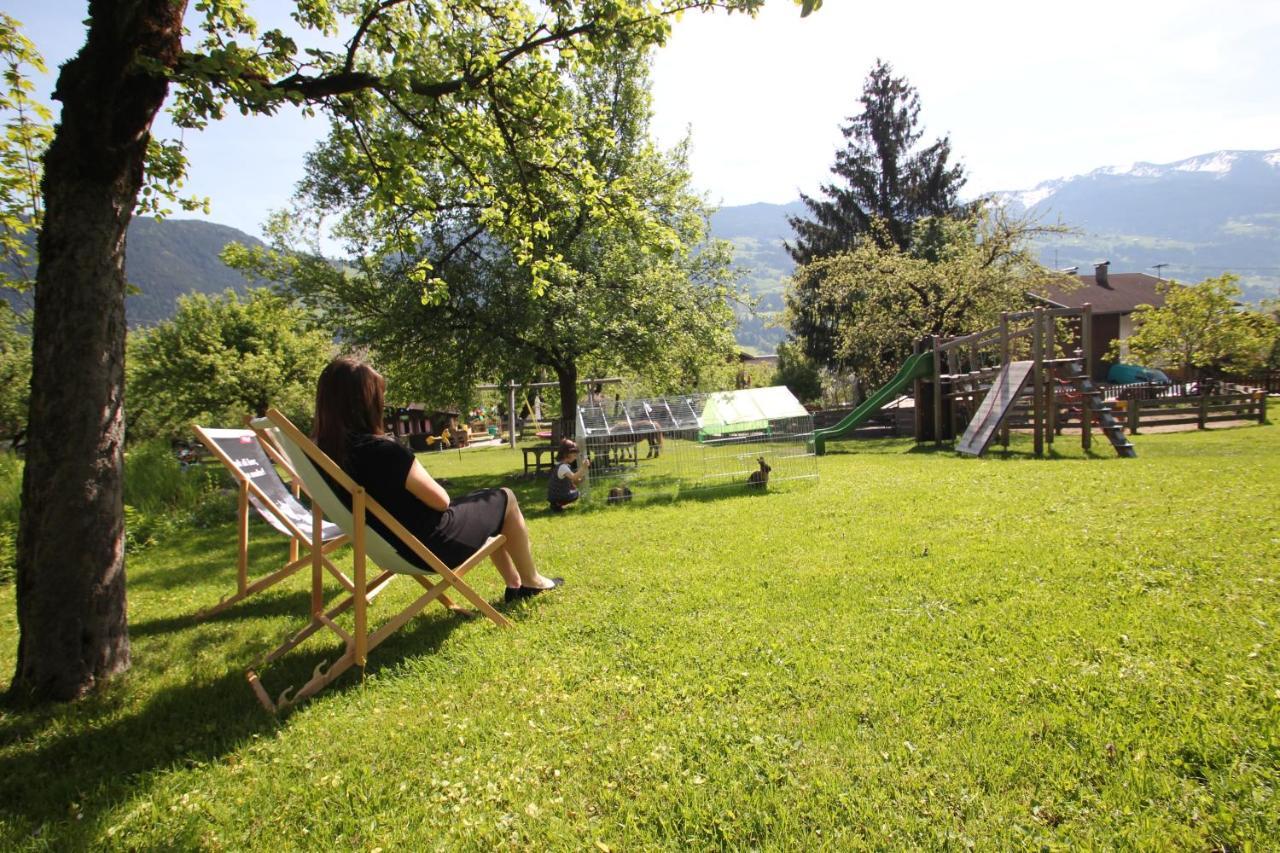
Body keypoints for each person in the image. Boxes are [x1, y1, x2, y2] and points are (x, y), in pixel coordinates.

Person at [313, 357, 562, 603]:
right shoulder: (383, 451)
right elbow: (441, 501)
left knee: (486, 496)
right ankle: (532, 581)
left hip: (392, 548)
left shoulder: (325, 458)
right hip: (433, 545)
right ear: (366, 404)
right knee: (505, 497)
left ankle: (514, 584)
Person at [547, 438, 589, 512]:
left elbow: (572, 480)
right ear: (567, 454)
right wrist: (583, 467)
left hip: (553, 495)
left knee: (573, 488)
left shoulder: (560, 465)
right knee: (577, 493)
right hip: (558, 496)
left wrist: (580, 480)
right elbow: (574, 477)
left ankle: (557, 504)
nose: (575, 457)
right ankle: (558, 503)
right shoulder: (563, 467)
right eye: (574, 455)